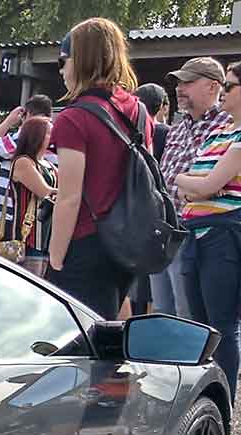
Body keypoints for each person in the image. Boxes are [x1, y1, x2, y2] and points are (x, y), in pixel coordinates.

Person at [174, 60, 241, 397]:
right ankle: (205, 402)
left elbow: (208, 183)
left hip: (224, 234)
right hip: (199, 232)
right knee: (200, 326)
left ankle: (223, 405)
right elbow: (210, 182)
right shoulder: (223, 131)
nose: (223, 91)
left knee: (222, 326)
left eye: (228, 86)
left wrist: (189, 182)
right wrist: (207, 185)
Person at [46, 18, 151, 318]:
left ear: (81, 60)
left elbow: (69, 196)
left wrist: (55, 260)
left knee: (77, 344)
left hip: (85, 241)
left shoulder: (73, 118)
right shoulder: (138, 110)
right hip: (128, 239)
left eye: (63, 61)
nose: (61, 70)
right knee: (112, 334)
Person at [161, 57, 231, 318]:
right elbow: (166, 175)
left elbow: (222, 183)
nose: (179, 88)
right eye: (178, 82)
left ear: (213, 87)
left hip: (203, 232)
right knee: (163, 310)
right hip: (169, 229)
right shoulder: (178, 129)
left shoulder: (229, 126)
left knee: (189, 313)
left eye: (188, 82)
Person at [0, 95, 53, 249]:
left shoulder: (22, 137)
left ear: (27, 114)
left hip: (3, 212)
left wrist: (9, 121)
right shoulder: (51, 142)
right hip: (30, 219)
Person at [128, 82, 173, 312]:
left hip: (132, 208)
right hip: (156, 209)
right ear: (163, 106)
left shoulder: (128, 130)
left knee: (135, 283)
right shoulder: (165, 132)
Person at [6, 116, 59, 276]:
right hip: (27, 238)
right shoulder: (23, 162)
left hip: (46, 237)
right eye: (50, 132)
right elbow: (45, 192)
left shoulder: (48, 164)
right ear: (37, 136)